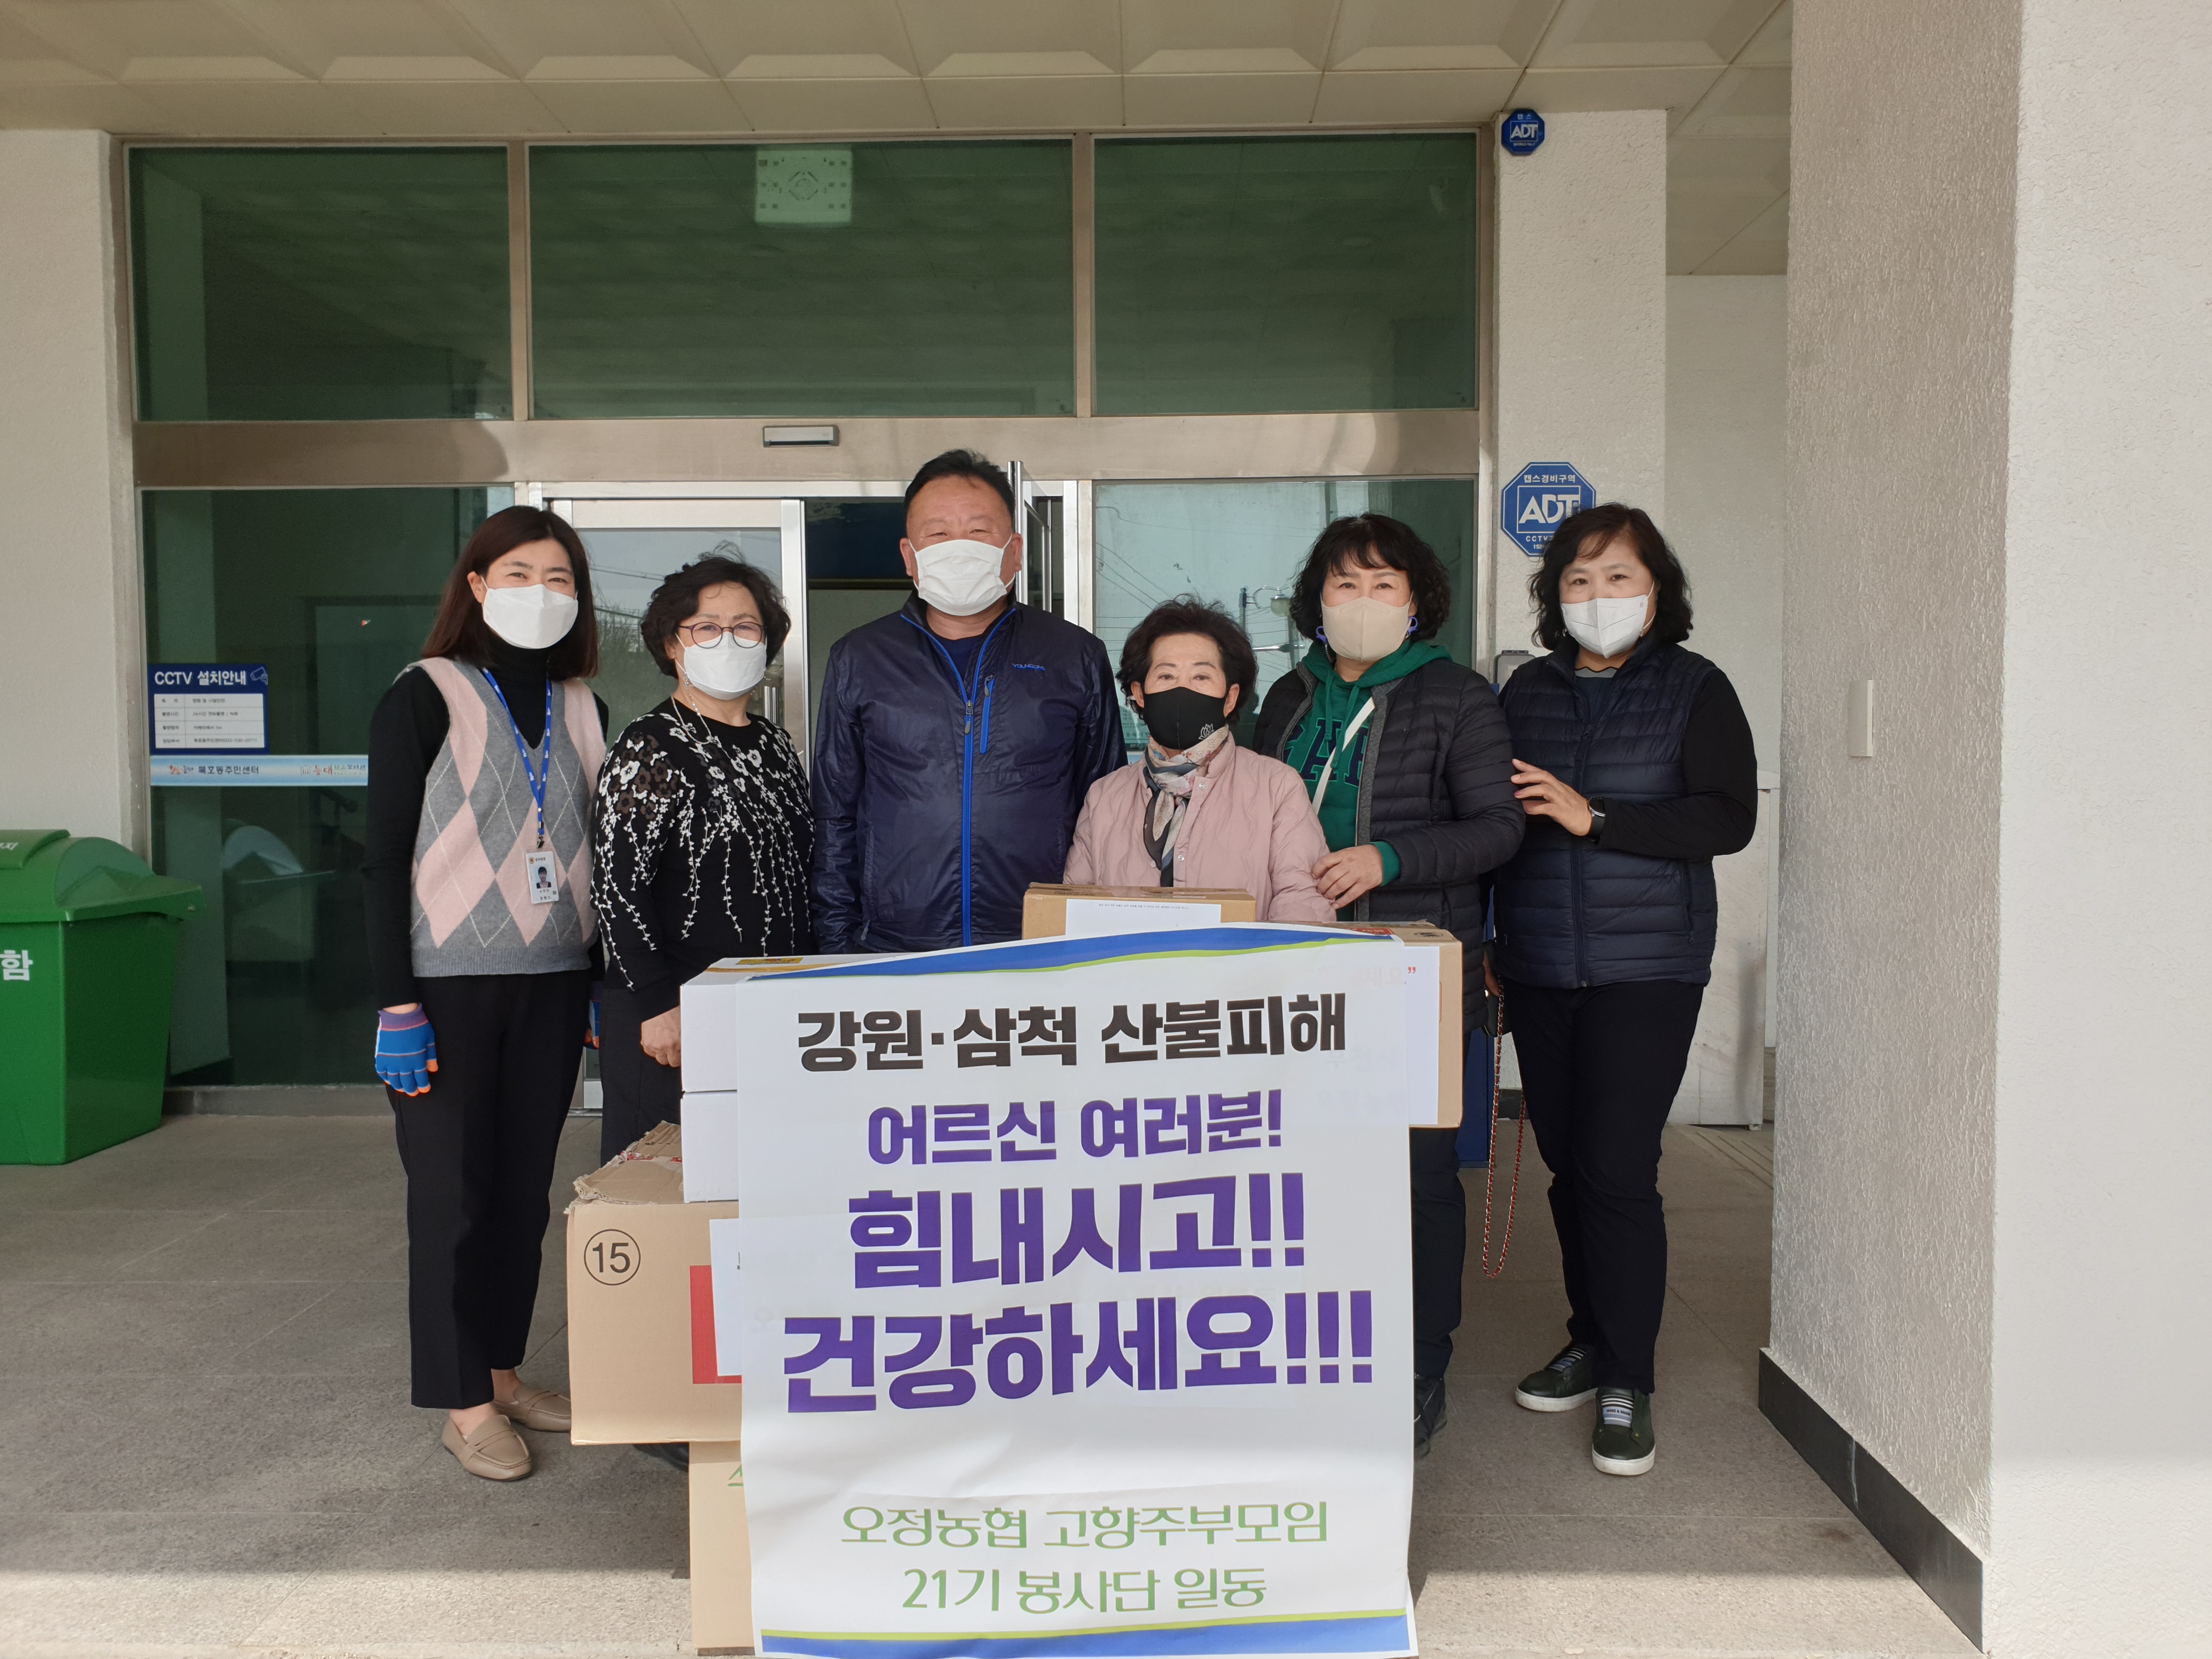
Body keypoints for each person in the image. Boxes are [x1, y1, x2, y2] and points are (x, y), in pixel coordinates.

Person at [1489, 502, 1757, 1479]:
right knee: (1568, 1165)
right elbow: (1496, 820)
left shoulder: (1695, 686)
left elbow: (1726, 819)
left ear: (1655, 589)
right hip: (1539, 962)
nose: (1597, 596)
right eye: (1578, 579)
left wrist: (1595, 817)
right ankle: (1589, 1336)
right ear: (1553, 595)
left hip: (1647, 968)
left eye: (1618, 577)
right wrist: (1491, 938)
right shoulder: (1526, 691)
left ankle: (1626, 1377)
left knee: (1616, 1169)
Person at [1254, 514, 1523, 1456]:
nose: (1361, 601)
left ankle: (1418, 1366)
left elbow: (1499, 827)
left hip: (1409, 967)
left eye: (1383, 585)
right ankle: (1316, 1351)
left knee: (1415, 1176)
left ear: (1416, 603)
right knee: (1304, 1171)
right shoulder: (1289, 695)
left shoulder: (1458, 696)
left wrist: (1388, 856)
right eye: (1344, 584)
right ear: (1317, 601)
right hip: (1296, 971)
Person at [362, 505, 607, 1483]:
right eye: (518, 573)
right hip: (447, 989)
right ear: (476, 584)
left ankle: (503, 1373)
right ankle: (463, 1403)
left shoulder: (582, 702)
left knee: (519, 1195)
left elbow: (597, 848)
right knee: (451, 1199)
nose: (540, 593)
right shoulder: (424, 693)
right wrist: (396, 1004)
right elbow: (382, 860)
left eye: (559, 578)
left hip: (553, 983)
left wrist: (599, 981)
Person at [812, 449, 1123, 951]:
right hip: (894, 944)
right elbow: (835, 815)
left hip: (1039, 941)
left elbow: (1107, 809)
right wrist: (836, 944)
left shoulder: (1073, 655)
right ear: (910, 556)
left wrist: (1092, 934)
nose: (958, 548)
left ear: (1015, 551)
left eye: (978, 531)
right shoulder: (860, 658)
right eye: (938, 534)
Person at [592, 554, 813, 1163]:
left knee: (762, 1175)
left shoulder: (774, 744)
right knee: (669, 1183)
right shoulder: (649, 747)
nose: (729, 641)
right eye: (707, 628)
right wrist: (657, 1004)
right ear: (672, 644)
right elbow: (617, 888)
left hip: (767, 1003)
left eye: (746, 627)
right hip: (677, 1013)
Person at [1065, 599, 1333, 921]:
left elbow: (1301, 900)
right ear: (1139, 694)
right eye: (1166, 676)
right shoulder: (1105, 796)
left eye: (1201, 677)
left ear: (1230, 698)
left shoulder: (1276, 787)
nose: (1182, 690)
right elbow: (1074, 908)